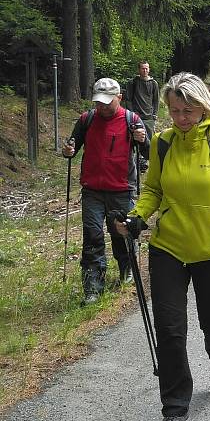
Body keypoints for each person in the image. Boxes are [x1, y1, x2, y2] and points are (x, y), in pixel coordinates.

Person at [115, 72, 210, 421]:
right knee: (170, 331)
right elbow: (153, 189)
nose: (181, 118)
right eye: (174, 111)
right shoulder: (161, 144)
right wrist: (137, 216)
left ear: (203, 107)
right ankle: (175, 409)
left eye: (188, 111)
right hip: (169, 248)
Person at [62, 78, 148, 306]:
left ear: (119, 98)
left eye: (107, 103)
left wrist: (143, 139)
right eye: (99, 102)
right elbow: (72, 148)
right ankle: (93, 287)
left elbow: (148, 153)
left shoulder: (132, 120)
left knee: (121, 233)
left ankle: (127, 269)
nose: (102, 107)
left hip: (121, 189)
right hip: (92, 190)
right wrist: (68, 150)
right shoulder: (86, 120)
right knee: (92, 236)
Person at [125, 60, 159, 138]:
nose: (145, 70)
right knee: (136, 139)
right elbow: (128, 99)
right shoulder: (132, 82)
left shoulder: (154, 83)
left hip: (149, 117)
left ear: (149, 69)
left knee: (150, 139)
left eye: (146, 68)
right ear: (139, 69)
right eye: (143, 68)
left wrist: (154, 114)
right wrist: (131, 113)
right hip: (136, 116)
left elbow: (156, 100)